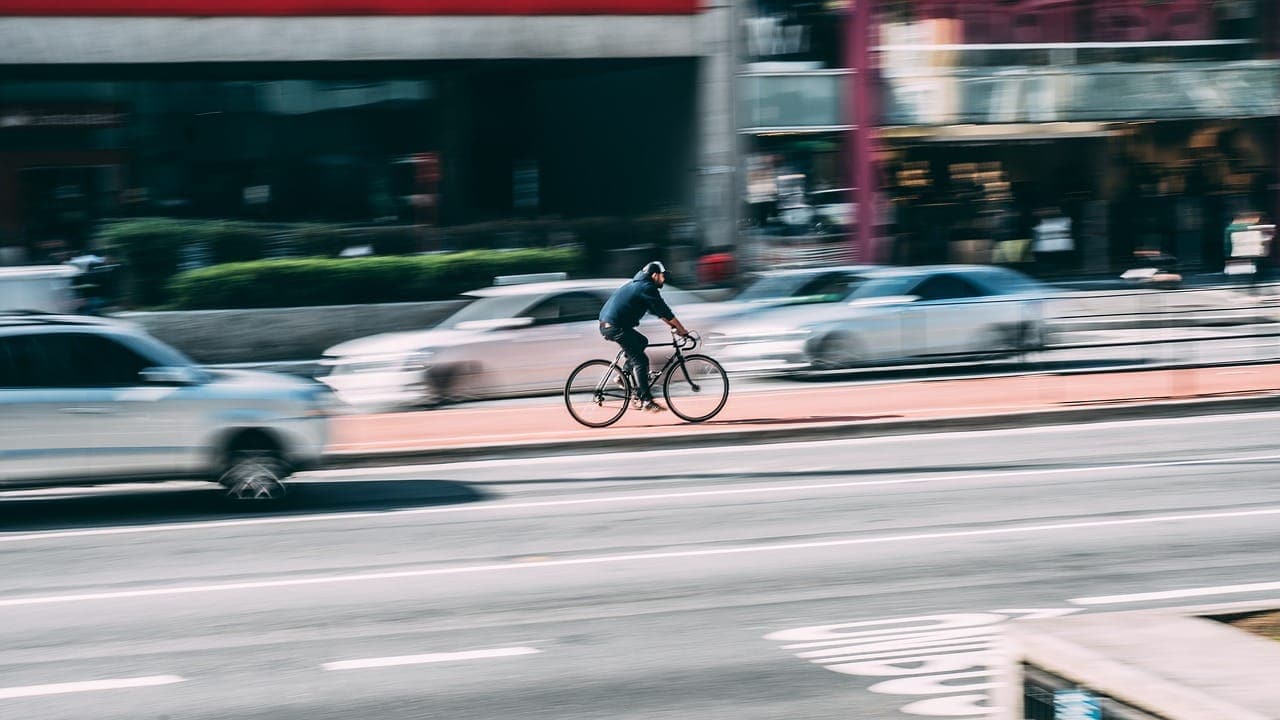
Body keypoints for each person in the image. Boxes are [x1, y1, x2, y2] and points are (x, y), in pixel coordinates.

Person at [599, 261, 691, 413]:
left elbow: (659, 312)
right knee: (641, 360)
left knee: (642, 341)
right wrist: (682, 330)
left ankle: (623, 376)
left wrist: (674, 326)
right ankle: (647, 400)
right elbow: (665, 311)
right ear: (654, 275)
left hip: (613, 324)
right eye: (662, 276)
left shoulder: (640, 285)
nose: (664, 279)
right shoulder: (646, 287)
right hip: (614, 327)